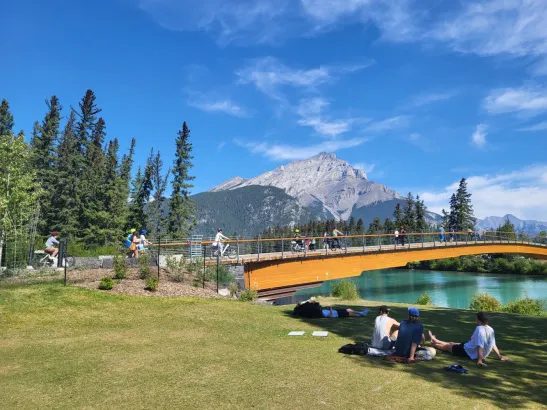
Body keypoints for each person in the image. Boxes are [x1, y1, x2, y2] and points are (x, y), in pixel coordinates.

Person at [428, 311, 511, 367]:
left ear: (479, 320)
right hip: (468, 347)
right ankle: (435, 340)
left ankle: (433, 344)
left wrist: (480, 360)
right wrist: (500, 357)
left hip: (468, 352)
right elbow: (493, 345)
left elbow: (480, 346)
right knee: (452, 343)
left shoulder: (479, 329)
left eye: (476, 319)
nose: (475, 320)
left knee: (447, 347)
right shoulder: (490, 329)